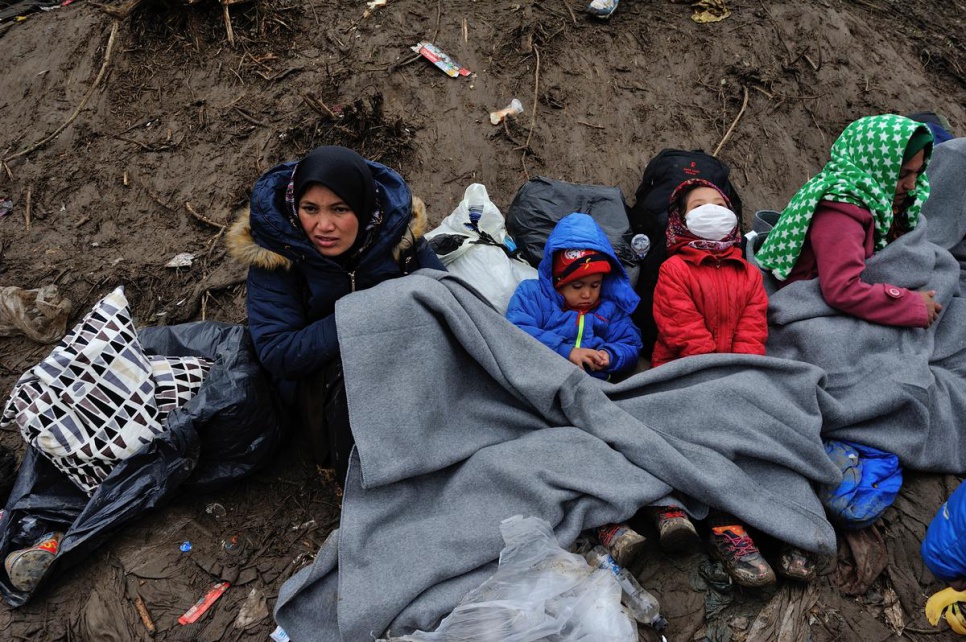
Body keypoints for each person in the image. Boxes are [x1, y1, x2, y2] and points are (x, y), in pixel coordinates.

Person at [227, 145, 445, 482]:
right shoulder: (277, 257)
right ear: (293, 206)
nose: (323, 225)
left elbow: (447, 295)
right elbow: (278, 351)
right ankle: (356, 476)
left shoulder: (396, 237)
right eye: (310, 209)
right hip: (320, 386)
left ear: (363, 205)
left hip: (398, 361)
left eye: (340, 209)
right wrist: (363, 318)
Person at [648, 178, 796, 587]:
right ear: (680, 219)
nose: (711, 210)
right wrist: (715, 375)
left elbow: (754, 327)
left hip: (736, 375)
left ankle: (781, 525)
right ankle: (720, 525)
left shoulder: (748, 273)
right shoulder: (673, 269)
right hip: (684, 377)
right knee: (697, 441)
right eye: (699, 205)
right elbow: (681, 331)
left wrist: (742, 373)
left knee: (762, 439)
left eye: (719, 203)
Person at [756, 113, 940, 328]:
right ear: (875, 166)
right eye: (901, 175)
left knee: (943, 267)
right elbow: (841, 290)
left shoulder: (873, 196)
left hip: (853, 287)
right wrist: (911, 305)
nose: (911, 186)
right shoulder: (841, 211)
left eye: (917, 173)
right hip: (812, 297)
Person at [505, 212, 643, 381]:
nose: (587, 294)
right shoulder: (532, 295)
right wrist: (566, 351)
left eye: (595, 285)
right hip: (542, 379)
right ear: (558, 280)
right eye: (577, 286)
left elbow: (630, 343)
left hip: (593, 386)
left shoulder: (610, 308)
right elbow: (516, 331)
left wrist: (610, 356)